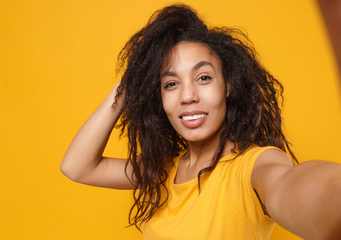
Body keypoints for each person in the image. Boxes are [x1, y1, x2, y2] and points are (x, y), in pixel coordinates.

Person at [61, 4, 341, 240]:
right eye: (171, 83)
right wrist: (130, 81)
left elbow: (301, 189)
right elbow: (77, 167)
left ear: (228, 85)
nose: (187, 96)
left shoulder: (253, 167)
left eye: (203, 77)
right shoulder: (162, 168)